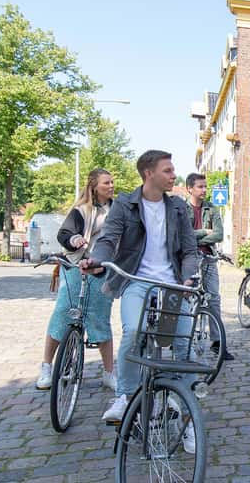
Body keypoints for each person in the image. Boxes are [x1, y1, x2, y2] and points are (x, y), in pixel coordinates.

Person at [82, 150, 200, 437]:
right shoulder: (125, 204)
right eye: (168, 171)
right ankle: (124, 396)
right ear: (149, 174)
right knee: (133, 330)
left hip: (173, 284)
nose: (174, 176)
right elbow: (109, 239)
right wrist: (97, 259)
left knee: (184, 344)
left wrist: (188, 277)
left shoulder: (178, 208)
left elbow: (189, 249)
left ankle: (184, 412)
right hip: (136, 280)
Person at [37, 168, 116, 392]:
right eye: (106, 183)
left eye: (112, 182)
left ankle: (109, 373)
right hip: (74, 266)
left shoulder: (116, 210)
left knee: (100, 318)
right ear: (94, 186)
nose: (111, 186)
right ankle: (46, 367)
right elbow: (64, 233)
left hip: (101, 269)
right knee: (63, 312)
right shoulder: (81, 210)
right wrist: (75, 238)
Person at [184, 173, 233, 362]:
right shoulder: (183, 208)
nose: (204, 190)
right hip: (189, 258)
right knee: (187, 296)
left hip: (209, 257)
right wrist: (204, 231)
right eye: (200, 187)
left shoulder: (211, 209)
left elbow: (219, 234)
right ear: (190, 188)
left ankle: (217, 342)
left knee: (213, 298)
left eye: (205, 187)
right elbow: (184, 235)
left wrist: (199, 238)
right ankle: (183, 340)